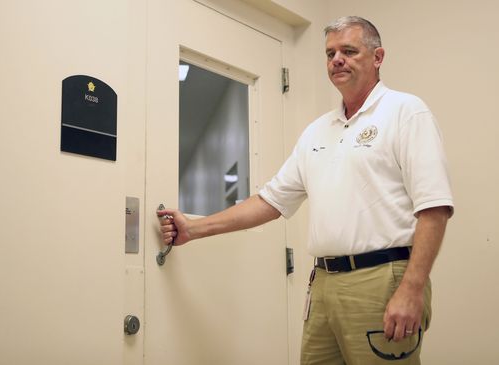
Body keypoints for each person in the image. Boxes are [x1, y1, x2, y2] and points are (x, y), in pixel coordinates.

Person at [158, 16, 453, 365]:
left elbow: (434, 208)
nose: (336, 60)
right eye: (330, 54)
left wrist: (413, 288)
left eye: (348, 51)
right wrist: (194, 228)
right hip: (324, 284)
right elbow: (270, 200)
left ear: (378, 57)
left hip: (382, 280)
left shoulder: (405, 112)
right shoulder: (317, 131)